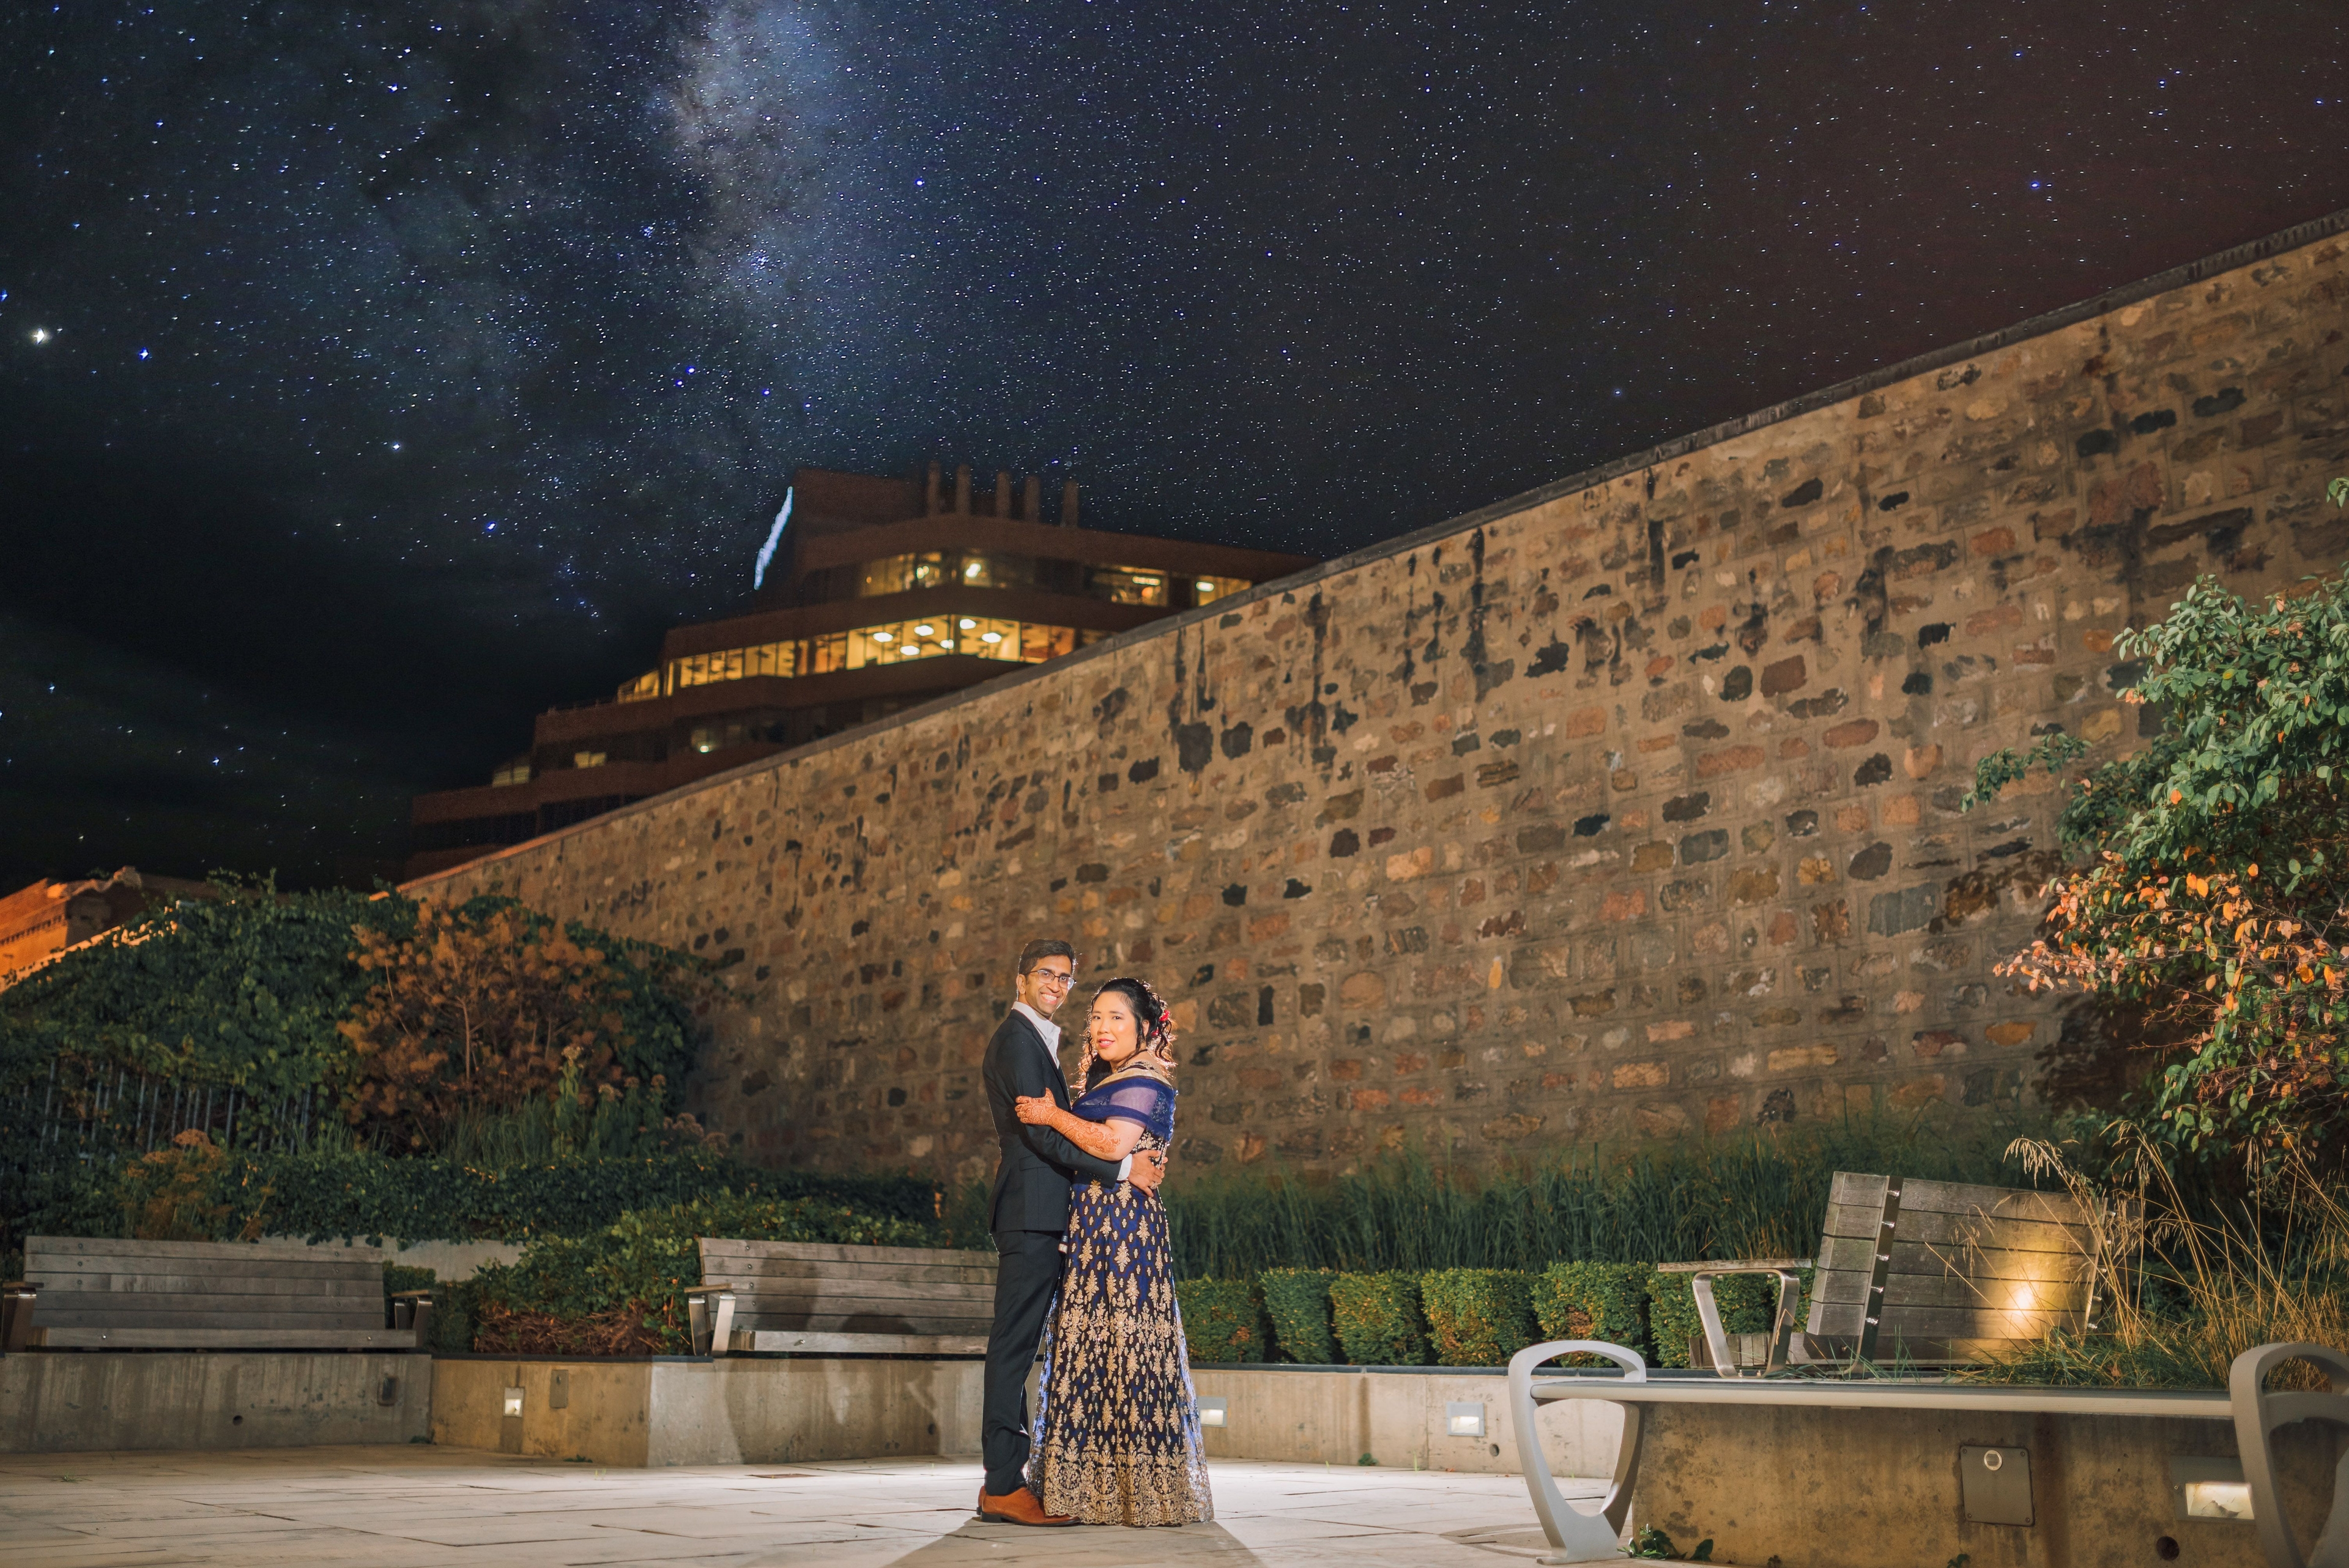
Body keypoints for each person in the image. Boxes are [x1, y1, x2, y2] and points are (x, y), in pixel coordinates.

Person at [976, 940, 1167, 1528]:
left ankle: (1032, 1476)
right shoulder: (1016, 1038)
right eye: (1045, 975)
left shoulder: (1039, 1039)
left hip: (1051, 1215)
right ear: (1020, 978)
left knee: (1032, 1348)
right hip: (1032, 1211)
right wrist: (1120, 1168)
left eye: (1065, 978)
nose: (1057, 986)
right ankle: (1004, 1484)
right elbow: (1038, 1134)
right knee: (1014, 1347)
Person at [1012, 975, 1213, 1526]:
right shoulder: (1114, 1076)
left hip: (1124, 1228)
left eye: (1115, 1017)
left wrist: (1052, 1114)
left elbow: (1113, 1144)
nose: (1101, 1027)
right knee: (1090, 1348)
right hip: (1094, 1227)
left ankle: (1139, 1491)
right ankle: (1093, 1490)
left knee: (1125, 1348)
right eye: (1096, 1016)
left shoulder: (1145, 1076)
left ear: (1145, 1027)